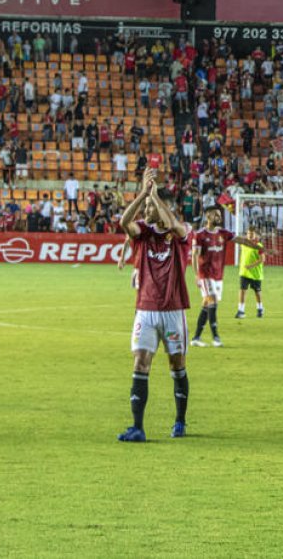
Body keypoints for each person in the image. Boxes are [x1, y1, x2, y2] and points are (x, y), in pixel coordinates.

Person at [117, 168, 192, 443]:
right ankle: (137, 427)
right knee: (140, 362)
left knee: (177, 365)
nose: (146, 210)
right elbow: (124, 221)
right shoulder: (143, 233)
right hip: (145, 309)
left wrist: (156, 197)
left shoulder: (181, 234)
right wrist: (142, 194)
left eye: (150, 206)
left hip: (173, 310)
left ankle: (180, 420)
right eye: (146, 206)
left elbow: (172, 223)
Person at [190, 205, 263, 348]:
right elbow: (194, 256)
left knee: (207, 304)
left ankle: (196, 338)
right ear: (208, 216)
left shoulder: (223, 233)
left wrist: (260, 248)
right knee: (213, 301)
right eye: (216, 215)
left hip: (217, 276)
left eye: (219, 214)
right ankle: (216, 337)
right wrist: (197, 275)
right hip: (205, 275)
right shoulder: (199, 235)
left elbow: (242, 240)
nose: (219, 217)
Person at [236, 227, 276, 319]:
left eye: (252, 234)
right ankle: (241, 310)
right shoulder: (244, 244)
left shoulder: (258, 245)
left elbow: (262, 259)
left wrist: (251, 266)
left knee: (257, 292)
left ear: (256, 235)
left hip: (255, 273)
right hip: (244, 272)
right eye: (248, 233)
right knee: (242, 290)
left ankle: (260, 308)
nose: (250, 235)